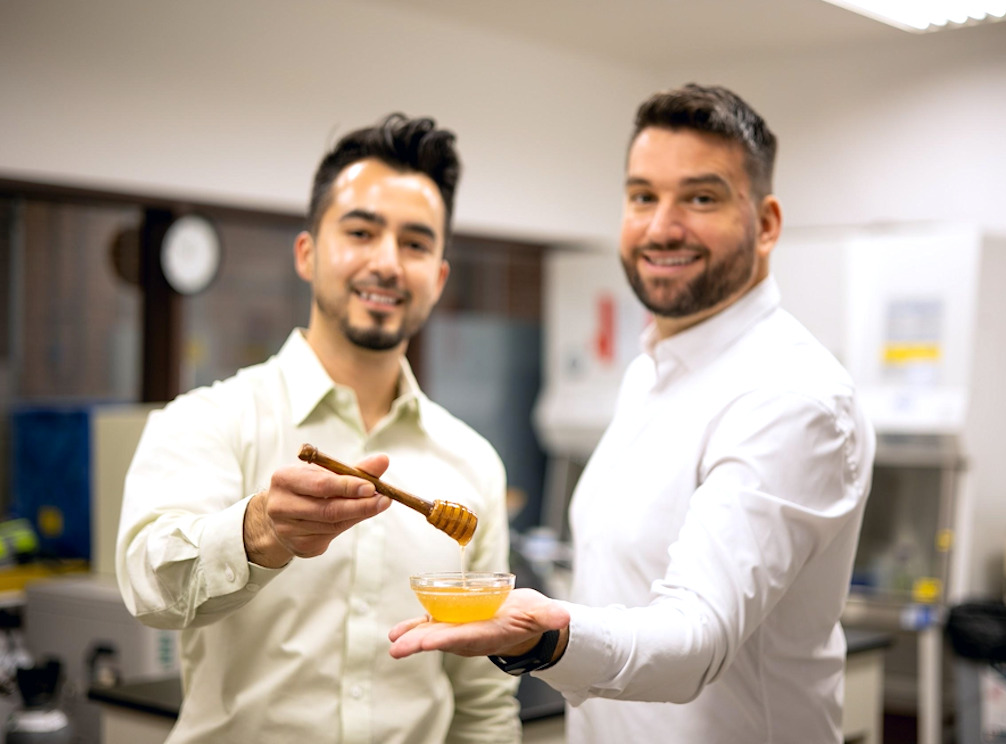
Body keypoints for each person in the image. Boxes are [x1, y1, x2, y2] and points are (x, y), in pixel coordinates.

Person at [389, 84, 876, 743]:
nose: (660, 226)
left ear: (765, 224)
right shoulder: (651, 371)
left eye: (700, 198)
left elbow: (695, 638)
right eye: (643, 196)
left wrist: (548, 637)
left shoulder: (792, 395)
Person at [116, 113, 521, 744]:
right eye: (361, 232)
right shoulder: (211, 418)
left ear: (438, 277)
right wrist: (260, 530)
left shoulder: (472, 463)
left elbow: (482, 693)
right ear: (308, 252)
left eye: (415, 244)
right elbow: (149, 587)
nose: (387, 263)